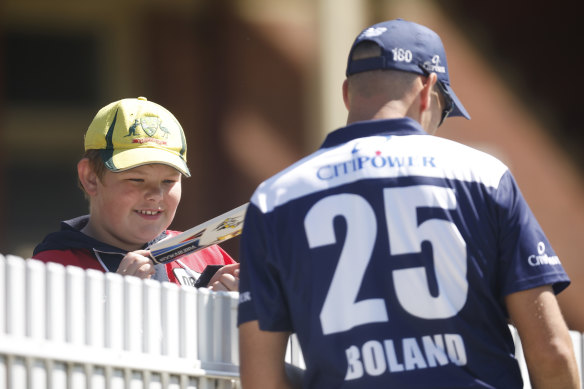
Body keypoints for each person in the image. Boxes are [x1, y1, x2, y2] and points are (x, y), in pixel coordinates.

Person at [237, 19, 580, 388]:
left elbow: (260, 380)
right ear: (427, 88)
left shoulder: (274, 199)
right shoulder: (485, 177)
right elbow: (552, 353)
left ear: (347, 94)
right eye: (444, 109)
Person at [33, 97, 239, 291]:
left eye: (169, 181)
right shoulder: (52, 270)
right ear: (91, 178)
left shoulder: (204, 253)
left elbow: (259, 327)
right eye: (136, 179)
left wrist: (233, 310)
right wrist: (116, 303)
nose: (156, 195)